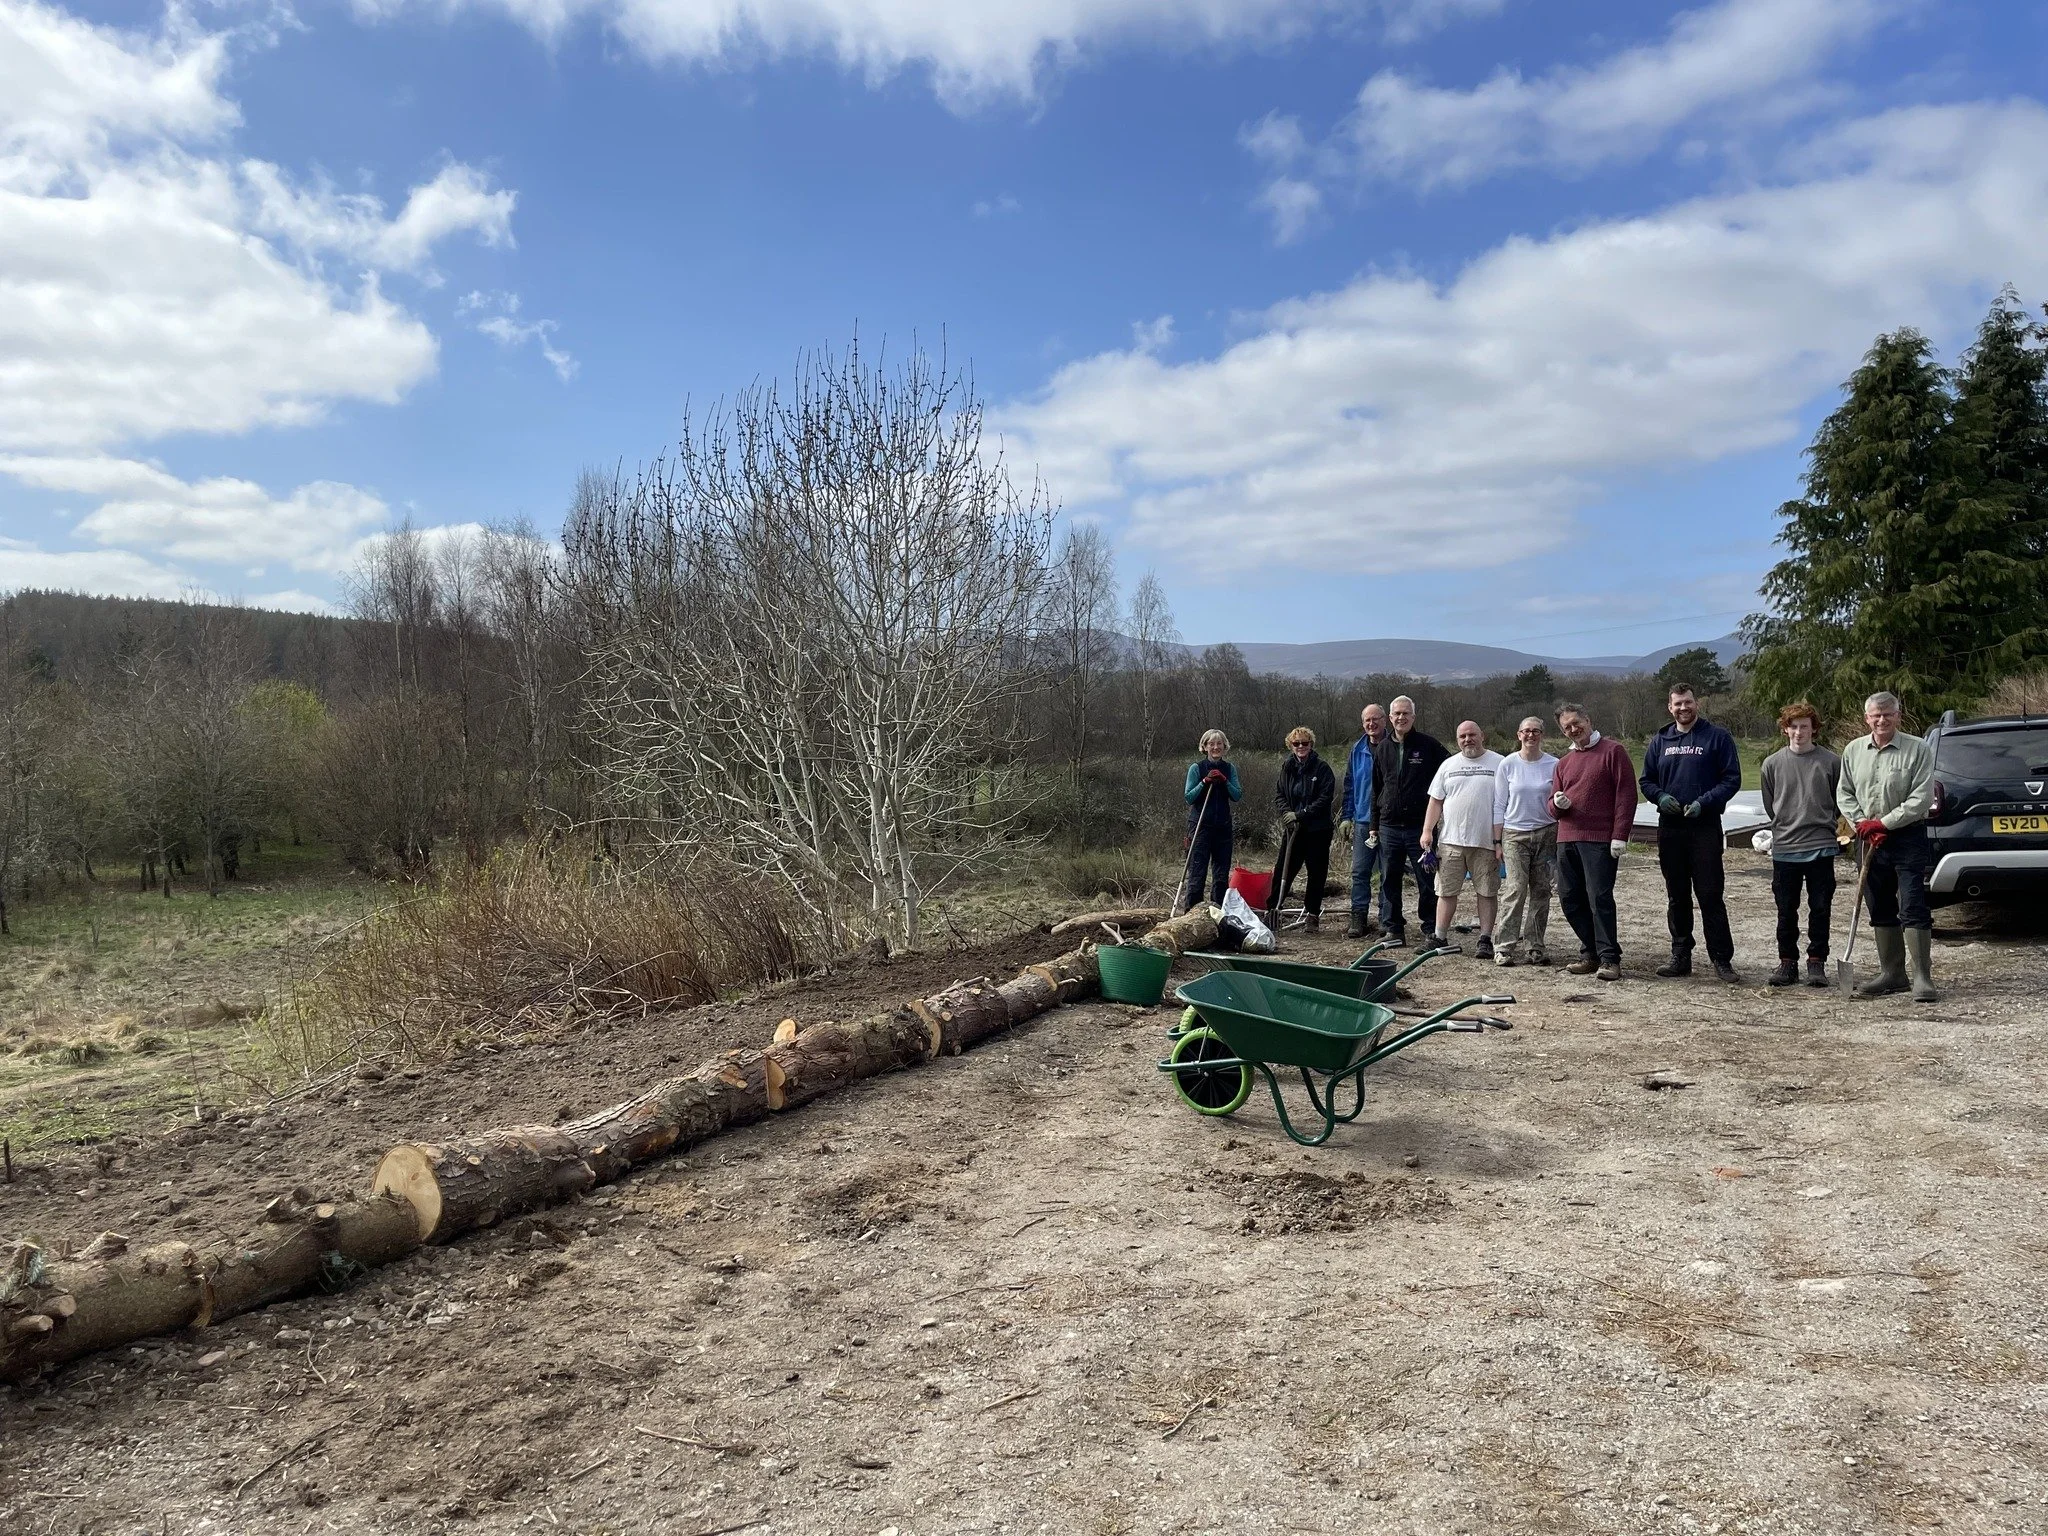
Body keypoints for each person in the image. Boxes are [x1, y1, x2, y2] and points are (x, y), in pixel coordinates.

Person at [1639, 683, 1745, 983]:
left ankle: (1722, 959)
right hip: (1671, 828)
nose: (1683, 708)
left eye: (1687, 702)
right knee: (1677, 896)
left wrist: (1705, 802)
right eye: (1677, 704)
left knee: (1710, 894)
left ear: (1696, 704)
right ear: (1669, 708)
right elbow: (1646, 780)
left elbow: (1731, 779)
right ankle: (1680, 955)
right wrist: (1659, 797)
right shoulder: (1660, 740)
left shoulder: (1717, 737)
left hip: (1704, 827)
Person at [1836, 690, 1937, 1002]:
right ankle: (1893, 973)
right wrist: (1862, 824)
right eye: (1875, 715)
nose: (1881, 720)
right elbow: (1845, 792)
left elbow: (1921, 797)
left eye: (1887, 714)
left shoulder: (1917, 749)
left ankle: (1922, 977)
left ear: (1898, 716)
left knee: (1912, 904)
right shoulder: (1853, 751)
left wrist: (1885, 823)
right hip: (1867, 840)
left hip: (1907, 836)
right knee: (1879, 904)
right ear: (1867, 718)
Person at [1550, 703, 1637, 982]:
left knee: (1599, 897)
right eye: (1567, 727)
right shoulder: (1564, 763)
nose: (1574, 729)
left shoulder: (1613, 752)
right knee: (1569, 898)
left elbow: (1626, 795)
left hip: (1599, 840)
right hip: (1567, 838)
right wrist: (1558, 804)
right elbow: (1552, 807)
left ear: (1588, 719)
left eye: (1577, 723)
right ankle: (1590, 952)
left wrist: (1619, 834)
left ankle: (1610, 958)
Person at [1759, 702, 1841, 987]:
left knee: (1820, 907)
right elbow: (1771, 805)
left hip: (1821, 845)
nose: (1798, 732)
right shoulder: (1772, 764)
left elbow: (1838, 802)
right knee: (1786, 908)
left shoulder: (1831, 762)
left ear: (1813, 729)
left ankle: (1817, 962)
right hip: (1785, 847)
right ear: (1785, 729)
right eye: (1793, 726)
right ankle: (1787, 962)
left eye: (1804, 726)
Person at [1368, 696, 1450, 949]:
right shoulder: (1382, 748)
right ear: (1390, 718)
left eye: (1406, 713)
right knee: (1389, 879)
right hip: (1389, 825)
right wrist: (1374, 824)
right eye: (1396, 714)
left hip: (1420, 827)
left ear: (1413, 717)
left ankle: (1430, 929)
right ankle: (1394, 929)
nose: (1401, 718)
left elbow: (1450, 770)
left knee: (1426, 879)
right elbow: (1376, 788)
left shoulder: (1428, 746)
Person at [1419, 721, 1504, 956]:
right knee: (1445, 891)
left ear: (1482, 736)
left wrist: (1501, 839)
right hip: (1450, 841)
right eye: (1463, 736)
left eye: (1472, 735)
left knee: (1487, 891)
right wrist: (1427, 831)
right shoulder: (1448, 765)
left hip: (1486, 842)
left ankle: (1485, 939)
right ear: (1457, 740)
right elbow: (1435, 801)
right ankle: (1439, 936)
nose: (1468, 740)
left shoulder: (1499, 763)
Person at [1491, 716, 1558, 968]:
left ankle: (1535, 945)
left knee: (1541, 890)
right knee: (1516, 888)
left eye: (1536, 731)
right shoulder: (1508, 764)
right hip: (1514, 834)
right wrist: (1497, 840)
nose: (1531, 735)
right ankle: (1504, 946)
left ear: (1543, 734)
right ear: (1518, 735)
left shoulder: (1554, 764)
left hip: (1546, 832)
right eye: (1526, 731)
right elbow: (1499, 804)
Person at [1270, 725, 1337, 932]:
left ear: (1311, 745)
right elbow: (1279, 794)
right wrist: (1287, 814)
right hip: (1293, 830)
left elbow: (1325, 799)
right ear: (1290, 745)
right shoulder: (1287, 767)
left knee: (1316, 873)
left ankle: (1312, 915)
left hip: (1317, 830)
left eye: (1304, 743)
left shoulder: (1322, 768)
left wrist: (1301, 814)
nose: (1300, 746)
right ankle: (1273, 910)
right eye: (1296, 743)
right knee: (1284, 869)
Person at [1338, 703, 1389, 938]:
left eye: (1376, 719)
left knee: (1388, 872)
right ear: (1363, 723)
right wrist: (1346, 816)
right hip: (1362, 820)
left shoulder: (1393, 746)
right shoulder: (1357, 750)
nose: (1372, 724)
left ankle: (1386, 919)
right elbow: (1350, 785)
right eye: (1367, 720)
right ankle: (1358, 917)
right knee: (1360, 872)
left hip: (1389, 822)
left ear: (1385, 720)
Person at [1179, 729, 1242, 912]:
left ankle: (1218, 915)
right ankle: (1192, 914)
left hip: (1222, 827)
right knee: (1197, 874)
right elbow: (1189, 797)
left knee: (1221, 875)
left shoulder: (1229, 769)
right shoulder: (1196, 768)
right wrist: (1205, 782)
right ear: (1205, 746)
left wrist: (1224, 781)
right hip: (1200, 826)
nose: (1215, 747)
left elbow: (1237, 795)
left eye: (1219, 744)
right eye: (1211, 744)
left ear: (1224, 746)